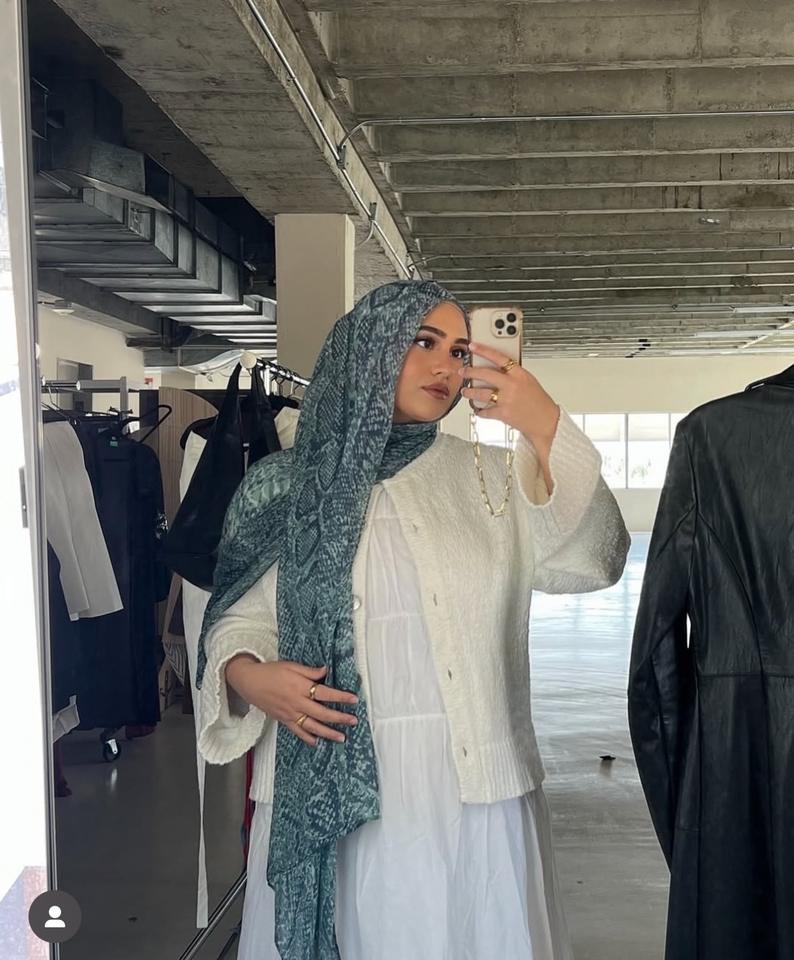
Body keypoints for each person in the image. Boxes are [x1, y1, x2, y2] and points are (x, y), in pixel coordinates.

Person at [196, 280, 630, 960]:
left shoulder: (490, 476)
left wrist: (545, 427)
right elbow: (237, 620)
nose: (445, 366)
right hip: (325, 784)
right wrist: (250, 677)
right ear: (367, 349)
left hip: (471, 793)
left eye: (458, 350)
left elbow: (593, 561)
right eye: (423, 342)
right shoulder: (283, 486)